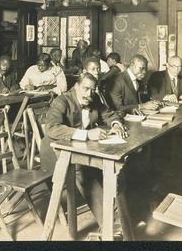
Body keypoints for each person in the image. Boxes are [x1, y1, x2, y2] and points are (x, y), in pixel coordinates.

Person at [40, 72, 128, 230]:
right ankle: (110, 225)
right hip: (54, 152)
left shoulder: (92, 100)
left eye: (93, 90)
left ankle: (118, 212)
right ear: (76, 86)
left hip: (79, 148)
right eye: (85, 89)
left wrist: (115, 124)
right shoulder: (62, 101)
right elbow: (52, 129)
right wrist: (86, 134)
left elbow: (109, 114)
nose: (89, 93)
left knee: (115, 164)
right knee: (82, 170)